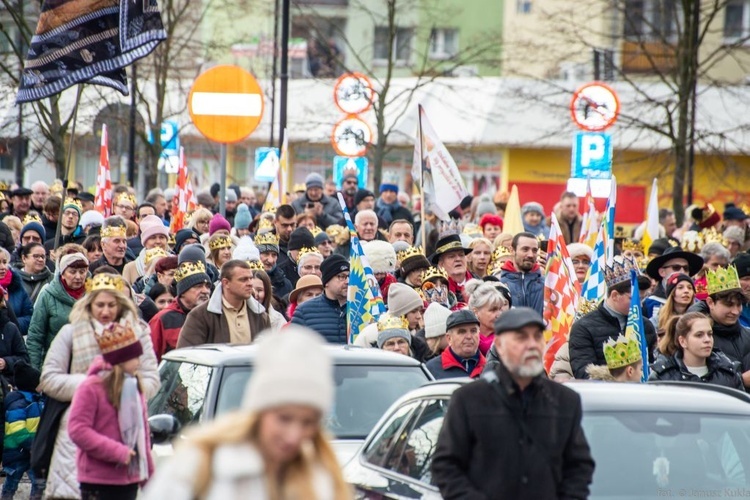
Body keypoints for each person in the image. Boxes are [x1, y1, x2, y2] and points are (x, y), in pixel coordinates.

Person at [143, 327, 350, 500]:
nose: (294, 435)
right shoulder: (201, 464)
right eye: (284, 418)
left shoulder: (320, 478)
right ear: (260, 411)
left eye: (308, 423)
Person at [432, 307, 594, 499]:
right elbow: (446, 466)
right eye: (521, 338)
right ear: (499, 345)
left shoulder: (565, 402)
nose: (531, 345)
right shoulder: (468, 400)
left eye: (537, 337)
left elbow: (579, 466)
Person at [38, 273, 159, 499]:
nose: (105, 311)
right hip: (80, 429)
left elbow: (151, 376)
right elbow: (49, 378)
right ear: (89, 304)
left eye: (111, 305)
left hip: (127, 424)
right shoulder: (71, 332)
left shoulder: (138, 332)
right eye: (99, 305)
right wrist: (91, 386)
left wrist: (128, 388)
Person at [68, 322, 153, 500]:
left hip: (129, 480)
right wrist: (118, 452)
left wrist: (150, 479)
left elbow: (142, 434)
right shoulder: (91, 387)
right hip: (98, 481)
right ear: (121, 359)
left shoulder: (134, 386)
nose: (139, 361)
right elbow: (78, 430)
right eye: (135, 356)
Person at [569, 256, 657, 379]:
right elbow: (583, 372)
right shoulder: (583, 327)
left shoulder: (646, 325)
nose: (640, 305)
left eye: (642, 299)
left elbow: (652, 364)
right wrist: (621, 378)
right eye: (634, 299)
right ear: (615, 295)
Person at [178, 260, 270, 347]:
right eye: (243, 279)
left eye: (250, 278)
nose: (250, 283)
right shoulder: (200, 316)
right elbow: (186, 355)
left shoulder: (261, 316)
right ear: (226, 283)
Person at [650, 312, 743, 390]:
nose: (707, 340)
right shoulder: (662, 377)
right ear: (682, 341)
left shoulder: (728, 373)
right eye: (699, 335)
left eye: (710, 334)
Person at [27, 252, 89, 369]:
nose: (78, 276)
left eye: (82, 271)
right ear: (63, 273)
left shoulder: (94, 295)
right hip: (56, 364)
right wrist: (35, 371)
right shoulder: (48, 295)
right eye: (72, 272)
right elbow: (35, 336)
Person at [149, 251, 212, 362]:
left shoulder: (214, 315)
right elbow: (151, 360)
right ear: (183, 291)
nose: (205, 291)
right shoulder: (162, 319)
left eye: (207, 286)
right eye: (198, 286)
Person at [697, 265, 750, 388]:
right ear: (710, 303)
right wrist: (741, 380)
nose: (735, 311)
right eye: (729, 305)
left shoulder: (748, 335)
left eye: (739, 305)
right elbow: (697, 383)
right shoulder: (701, 340)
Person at [2, 362, 45, 500]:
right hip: (17, 453)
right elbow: (17, 430)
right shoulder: (18, 403)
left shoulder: (38, 400)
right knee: (12, 483)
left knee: (39, 483)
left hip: (32, 454)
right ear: (32, 385)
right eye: (40, 382)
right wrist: (32, 446)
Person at [291, 254, 348, 343]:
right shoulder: (304, 311)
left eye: (349, 276)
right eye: (341, 277)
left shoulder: (360, 309)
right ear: (327, 282)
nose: (347, 281)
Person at [643, 246, 704, 319]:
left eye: (686, 268)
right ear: (662, 272)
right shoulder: (648, 303)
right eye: (676, 267)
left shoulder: (698, 305)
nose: (682, 272)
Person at [425, 309, 486, 379]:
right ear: (449, 338)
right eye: (462, 332)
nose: (469, 336)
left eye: (473, 331)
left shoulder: (491, 367)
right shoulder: (432, 369)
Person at [499, 232, 544, 315]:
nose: (531, 255)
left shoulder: (547, 285)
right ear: (512, 250)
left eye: (534, 250)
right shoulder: (498, 284)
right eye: (525, 249)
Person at [122, 215, 170, 285]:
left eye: (162, 237)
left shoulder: (175, 263)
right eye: (153, 238)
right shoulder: (130, 268)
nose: (158, 241)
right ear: (145, 242)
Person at [465, 279, 507, 355]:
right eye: (493, 310)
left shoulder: (507, 337)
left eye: (500, 309)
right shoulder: (463, 339)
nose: (499, 314)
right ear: (476, 312)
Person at [429, 230, 473, 304]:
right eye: (451, 256)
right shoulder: (435, 290)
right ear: (441, 264)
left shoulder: (479, 283)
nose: (458, 259)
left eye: (461, 255)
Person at [0, 247, 33, 335]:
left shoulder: (17, 287)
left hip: (14, 342)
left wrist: (12, 326)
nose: (3, 267)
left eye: (4, 262)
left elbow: (30, 317)